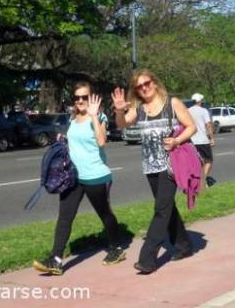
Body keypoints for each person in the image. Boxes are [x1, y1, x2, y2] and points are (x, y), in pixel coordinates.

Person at [33, 81, 125, 275]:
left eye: (85, 97)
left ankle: (116, 248)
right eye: (77, 98)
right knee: (65, 217)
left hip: (96, 176)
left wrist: (93, 116)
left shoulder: (99, 116)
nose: (81, 101)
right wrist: (62, 140)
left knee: (105, 214)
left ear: (92, 97)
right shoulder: (73, 121)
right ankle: (56, 259)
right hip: (73, 178)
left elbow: (101, 141)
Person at [111, 69, 196, 274]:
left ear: (155, 83)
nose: (144, 88)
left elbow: (191, 127)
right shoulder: (139, 108)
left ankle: (147, 259)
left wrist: (176, 140)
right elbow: (122, 124)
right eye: (139, 87)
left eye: (146, 83)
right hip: (150, 166)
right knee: (167, 208)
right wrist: (119, 110)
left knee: (160, 210)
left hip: (171, 165)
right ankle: (184, 245)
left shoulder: (172, 103)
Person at [188, 93, 216, 187]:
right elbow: (208, 124)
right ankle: (202, 180)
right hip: (203, 140)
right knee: (208, 161)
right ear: (200, 101)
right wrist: (212, 138)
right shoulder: (203, 111)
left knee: (195, 162)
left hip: (191, 141)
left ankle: (195, 181)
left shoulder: (188, 111)